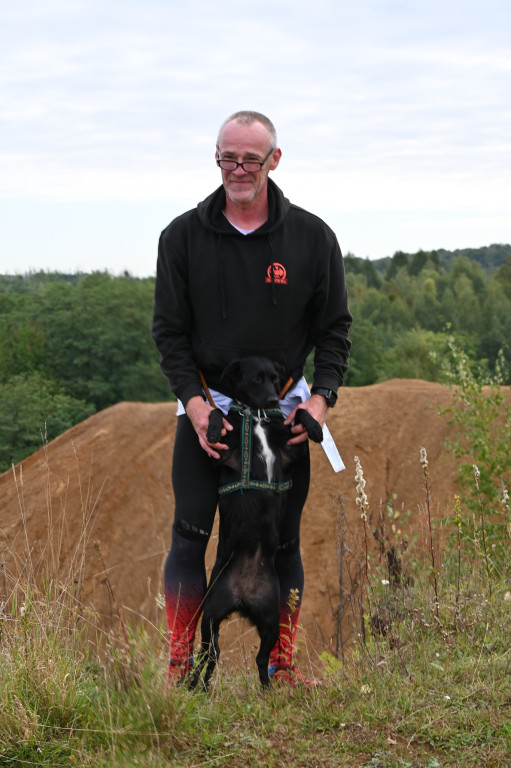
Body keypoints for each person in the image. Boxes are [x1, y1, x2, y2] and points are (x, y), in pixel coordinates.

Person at [152, 110, 351, 686]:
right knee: (188, 537)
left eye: (250, 159)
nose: (237, 169)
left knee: (283, 544)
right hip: (210, 410)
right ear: (216, 158)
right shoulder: (181, 237)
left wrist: (320, 402)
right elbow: (169, 334)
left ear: (274, 160)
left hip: (284, 413)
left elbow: (335, 331)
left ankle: (281, 667)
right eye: (227, 158)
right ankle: (180, 669)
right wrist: (195, 406)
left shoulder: (313, 238)